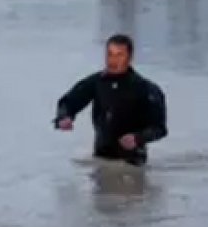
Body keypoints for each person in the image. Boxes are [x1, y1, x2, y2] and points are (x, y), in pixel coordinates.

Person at [53, 34, 168, 166]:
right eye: (110, 54)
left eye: (119, 55)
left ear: (129, 58)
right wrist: (64, 117)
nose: (113, 60)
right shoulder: (96, 82)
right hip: (101, 158)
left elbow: (159, 128)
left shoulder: (146, 89)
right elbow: (68, 102)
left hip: (132, 163)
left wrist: (138, 138)